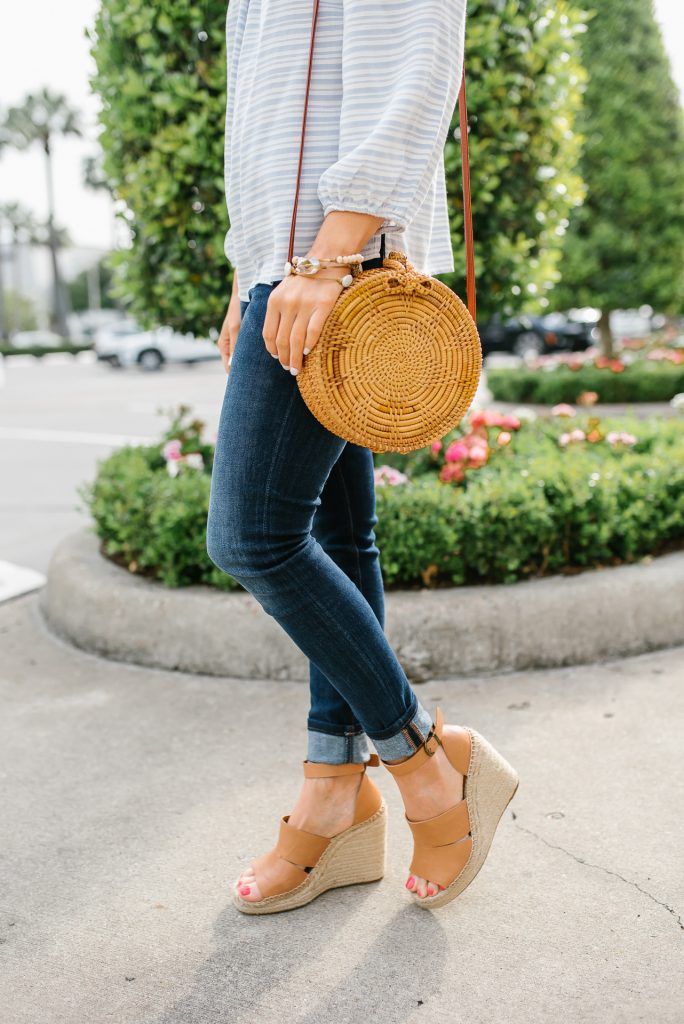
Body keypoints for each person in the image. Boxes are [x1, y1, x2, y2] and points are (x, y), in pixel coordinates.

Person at [207, 0, 519, 915]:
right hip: (289, 266)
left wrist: (329, 256)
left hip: (336, 262)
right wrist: (248, 270)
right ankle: (333, 787)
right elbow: (259, 114)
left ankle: (427, 762)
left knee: (253, 538)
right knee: (340, 538)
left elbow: (418, 64)